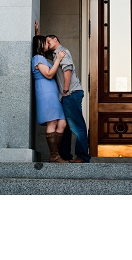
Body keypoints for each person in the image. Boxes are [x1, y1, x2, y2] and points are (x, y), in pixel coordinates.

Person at [36, 20, 91, 163]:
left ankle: (83, 157)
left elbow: (67, 71)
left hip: (71, 93)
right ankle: (65, 156)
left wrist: (65, 90)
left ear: (56, 40)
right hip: (67, 95)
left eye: (48, 41)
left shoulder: (62, 51)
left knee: (77, 126)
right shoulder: (54, 56)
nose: (47, 44)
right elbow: (40, 50)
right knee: (65, 127)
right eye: (45, 43)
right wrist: (37, 35)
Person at [32, 35, 68, 163]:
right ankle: (54, 156)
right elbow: (48, 74)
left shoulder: (42, 58)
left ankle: (55, 155)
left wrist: (37, 31)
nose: (48, 43)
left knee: (62, 123)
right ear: (41, 44)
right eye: (45, 42)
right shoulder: (37, 58)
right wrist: (58, 59)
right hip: (45, 93)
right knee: (52, 122)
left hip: (52, 93)